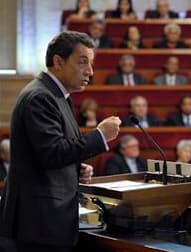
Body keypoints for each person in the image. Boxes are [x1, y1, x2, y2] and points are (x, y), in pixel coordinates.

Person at [0, 31, 121, 251]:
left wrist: (75, 167)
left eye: (91, 64)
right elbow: (53, 153)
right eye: (83, 62)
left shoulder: (57, 95)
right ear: (58, 61)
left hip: (47, 220)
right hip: (38, 223)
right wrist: (100, 135)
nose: (90, 72)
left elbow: (51, 152)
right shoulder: (41, 97)